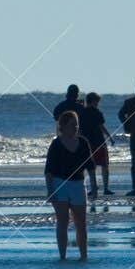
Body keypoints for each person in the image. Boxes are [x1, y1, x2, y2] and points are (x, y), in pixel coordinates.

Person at [44, 110, 94, 260]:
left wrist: (95, 186)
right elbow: (49, 170)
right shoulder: (56, 144)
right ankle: (62, 256)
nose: (76, 128)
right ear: (63, 126)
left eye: (77, 125)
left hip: (78, 184)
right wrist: (50, 190)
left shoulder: (83, 142)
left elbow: (90, 166)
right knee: (62, 222)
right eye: (72, 125)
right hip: (59, 184)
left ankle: (84, 256)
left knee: (81, 223)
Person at [82, 92, 113, 198]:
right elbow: (101, 127)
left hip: (88, 143)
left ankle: (93, 188)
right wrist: (110, 137)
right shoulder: (97, 112)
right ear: (94, 101)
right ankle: (106, 188)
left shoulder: (82, 112)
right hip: (99, 142)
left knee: (92, 167)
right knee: (104, 165)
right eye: (97, 101)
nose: (98, 103)